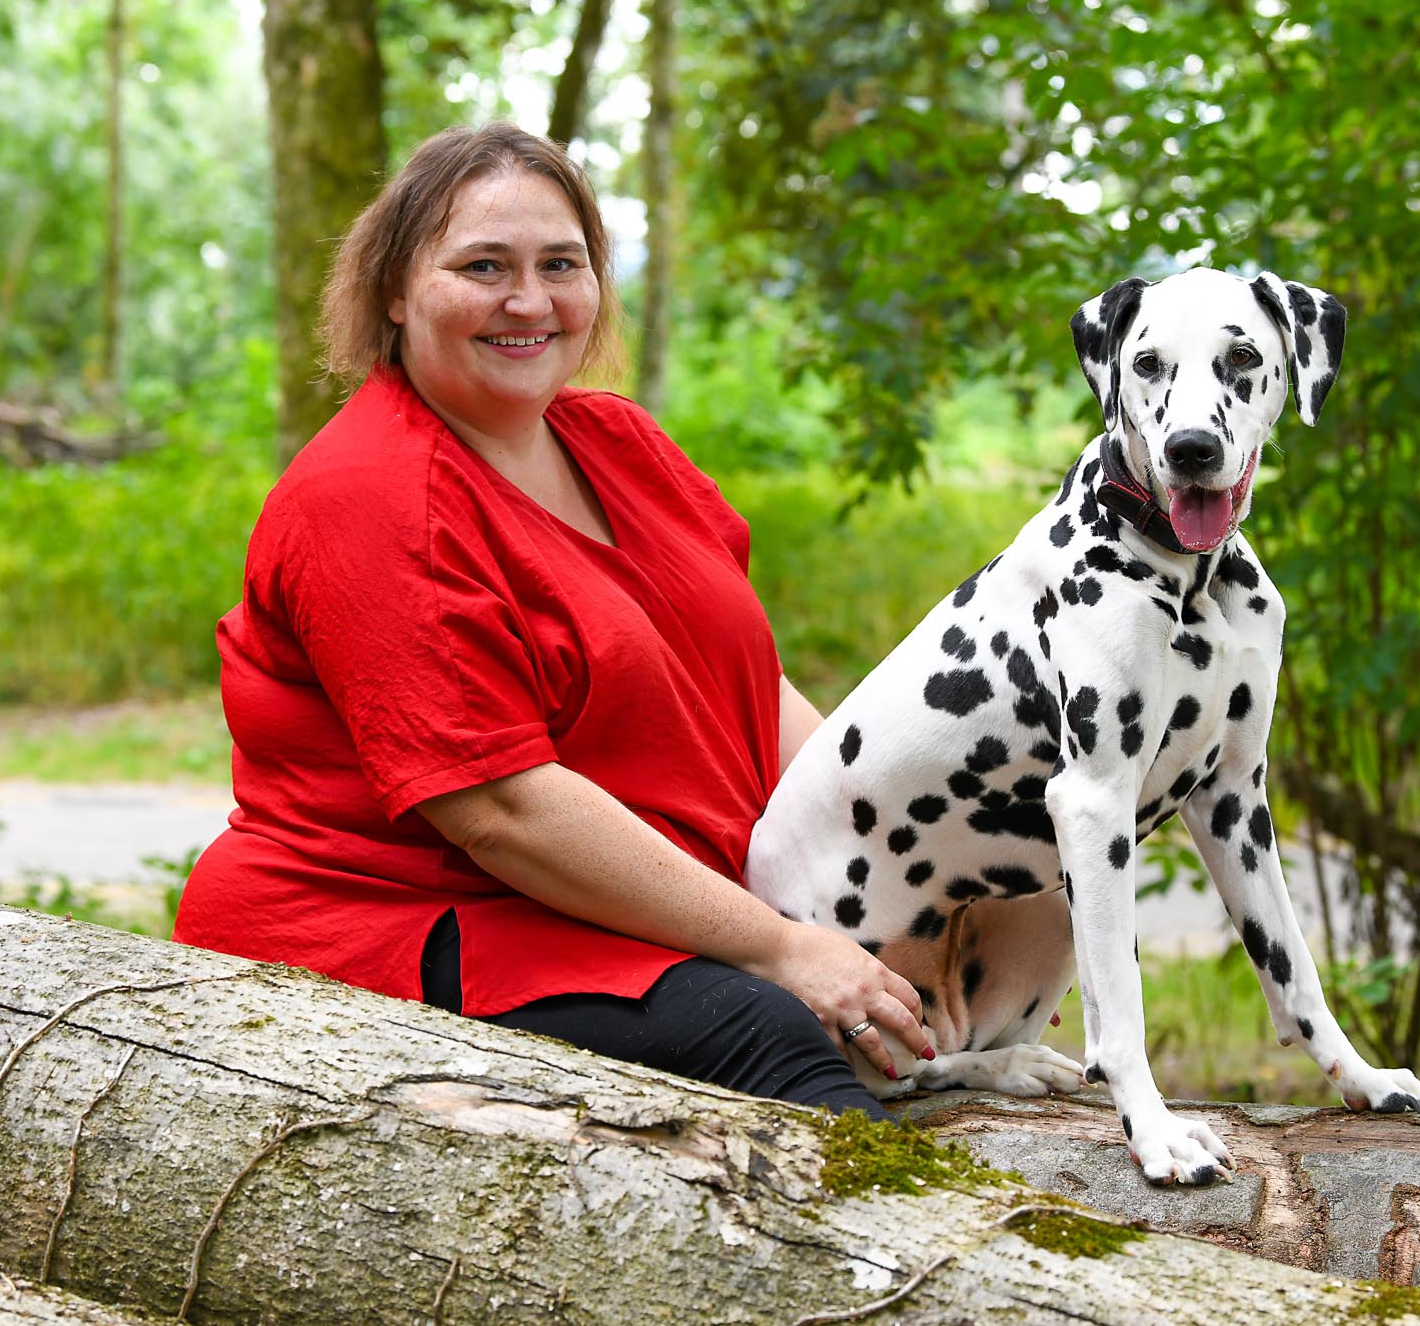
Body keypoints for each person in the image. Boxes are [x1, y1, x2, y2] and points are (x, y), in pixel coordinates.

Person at [173, 122, 928, 1117]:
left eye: (558, 264)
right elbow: (503, 812)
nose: (528, 301)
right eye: (482, 265)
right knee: (758, 1028)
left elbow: (750, 691)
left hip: (616, 908)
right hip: (403, 923)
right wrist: (781, 947)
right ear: (396, 292)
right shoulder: (369, 493)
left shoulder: (617, 439)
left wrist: (910, 878)